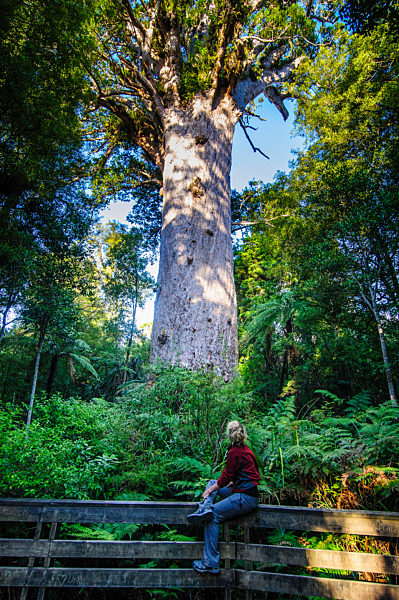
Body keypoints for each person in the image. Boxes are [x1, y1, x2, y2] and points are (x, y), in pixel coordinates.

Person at [187, 420, 260, 574]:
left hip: (245, 497)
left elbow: (225, 477)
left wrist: (208, 492)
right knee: (212, 482)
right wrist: (234, 481)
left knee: (212, 517)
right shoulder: (244, 449)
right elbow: (246, 472)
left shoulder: (235, 452)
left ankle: (210, 563)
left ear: (229, 435)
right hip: (242, 491)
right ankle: (204, 508)